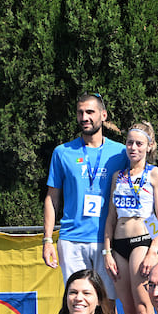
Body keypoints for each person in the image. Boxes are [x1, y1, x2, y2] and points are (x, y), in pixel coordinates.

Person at [42, 93, 128, 302]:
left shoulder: (121, 152)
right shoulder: (62, 152)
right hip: (72, 239)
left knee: (107, 302)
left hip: (107, 241)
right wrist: (47, 240)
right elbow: (52, 198)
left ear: (103, 115)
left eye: (90, 112)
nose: (84, 117)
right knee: (78, 302)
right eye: (80, 112)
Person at [103, 121, 158, 314]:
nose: (133, 148)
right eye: (130, 143)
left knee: (143, 306)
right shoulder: (118, 176)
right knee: (128, 309)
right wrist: (107, 252)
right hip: (119, 244)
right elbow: (111, 217)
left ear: (150, 146)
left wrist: (153, 250)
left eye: (139, 143)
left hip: (142, 240)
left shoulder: (155, 174)